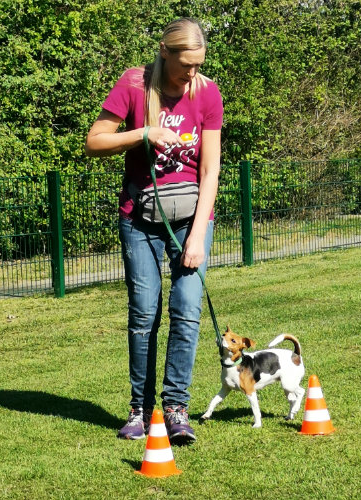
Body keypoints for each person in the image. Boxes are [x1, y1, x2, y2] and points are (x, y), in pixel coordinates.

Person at [85, 18, 223, 444]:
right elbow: (94, 141)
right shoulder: (132, 85)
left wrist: (199, 235)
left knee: (187, 312)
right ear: (165, 52)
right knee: (144, 314)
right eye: (186, 65)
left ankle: (176, 408)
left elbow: (210, 168)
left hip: (190, 221)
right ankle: (140, 410)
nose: (192, 75)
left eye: (199, 65)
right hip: (139, 219)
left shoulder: (208, 93)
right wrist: (144, 132)